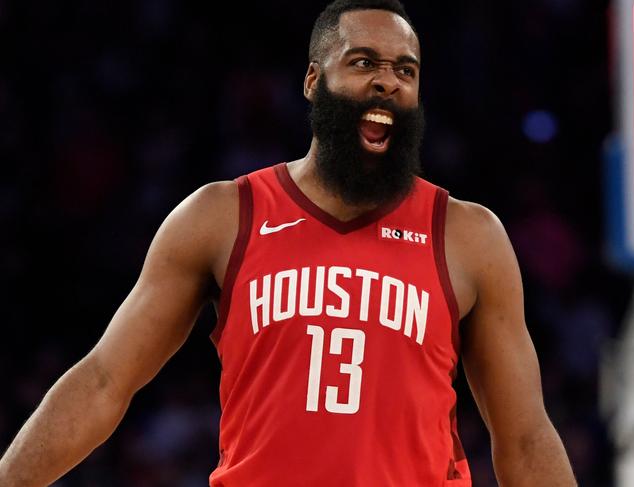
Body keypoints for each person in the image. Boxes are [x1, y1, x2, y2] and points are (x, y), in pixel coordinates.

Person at [0, 0, 577, 486]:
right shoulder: (223, 215)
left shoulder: (468, 235)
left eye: (407, 70)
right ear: (312, 80)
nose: (388, 80)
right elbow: (104, 380)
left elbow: (525, 439)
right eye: (363, 62)